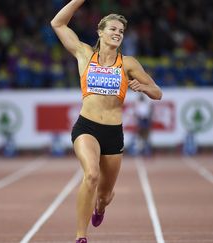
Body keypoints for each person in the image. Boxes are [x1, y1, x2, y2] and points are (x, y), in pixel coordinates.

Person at [51, 1, 162, 242]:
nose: (117, 34)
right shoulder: (84, 54)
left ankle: (99, 209)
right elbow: (57, 23)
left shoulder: (128, 63)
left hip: (113, 133)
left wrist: (142, 87)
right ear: (100, 32)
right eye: (112, 29)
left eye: (121, 31)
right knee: (90, 175)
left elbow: (158, 92)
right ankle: (81, 237)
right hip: (86, 127)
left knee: (105, 195)